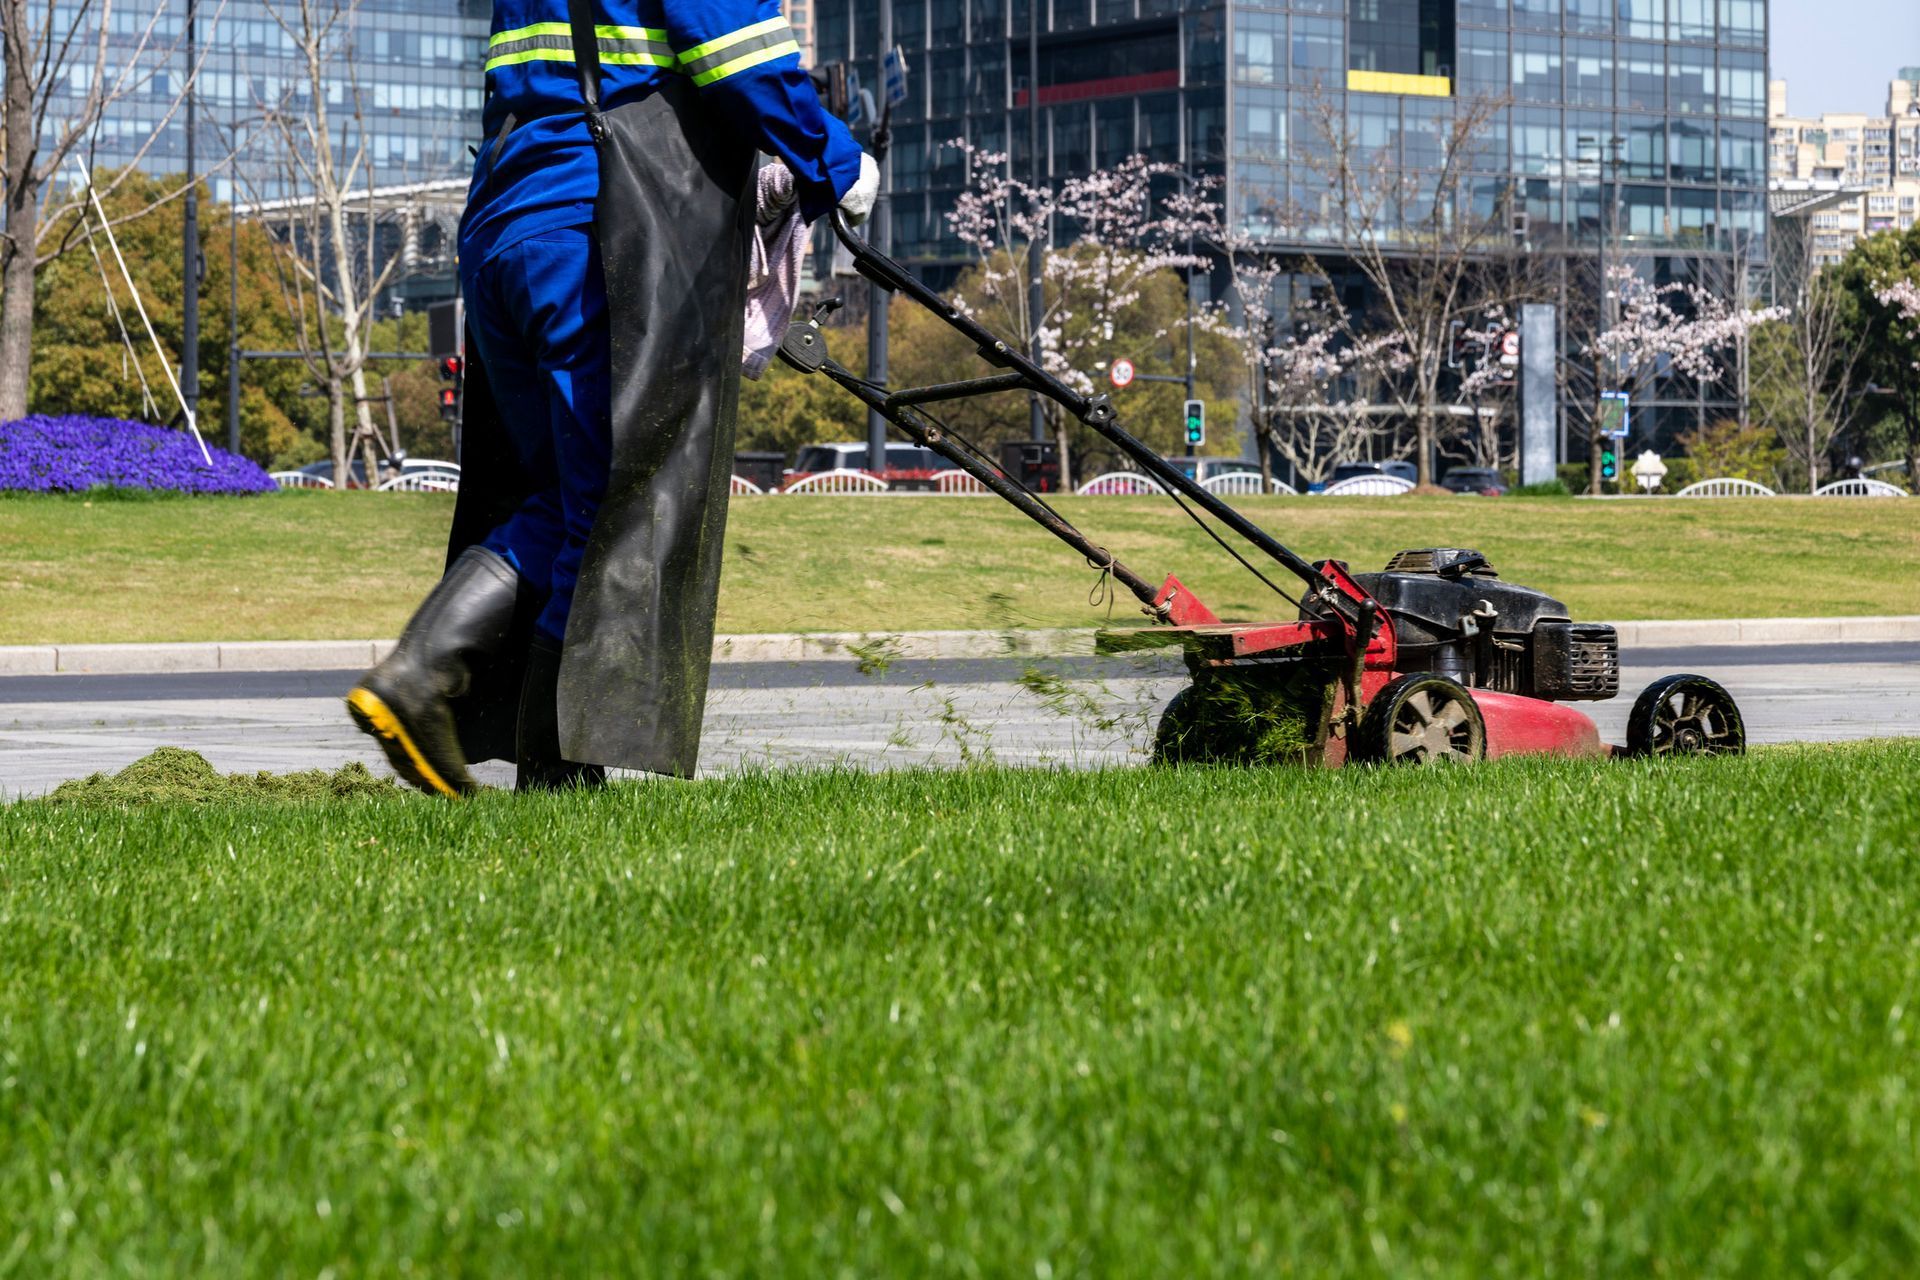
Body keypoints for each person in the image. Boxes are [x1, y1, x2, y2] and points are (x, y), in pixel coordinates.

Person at [347, 0, 876, 796]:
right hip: (595, 223)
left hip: (505, 225)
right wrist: (838, 161)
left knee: (568, 500)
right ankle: (443, 691)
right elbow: (737, 51)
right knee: (610, 504)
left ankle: (531, 765)